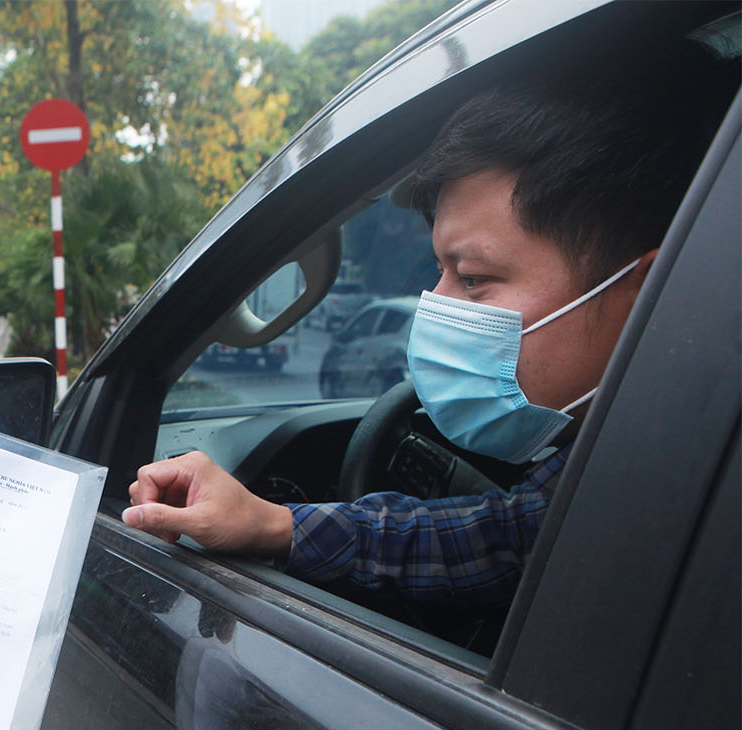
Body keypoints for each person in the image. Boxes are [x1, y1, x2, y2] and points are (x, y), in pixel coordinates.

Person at [125, 36, 736, 611]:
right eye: (440, 271)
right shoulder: (630, 459)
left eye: (471, 278)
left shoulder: (697, 498)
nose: (435, 304)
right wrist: (274, 525)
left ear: (654, 291)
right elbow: (511, 536)